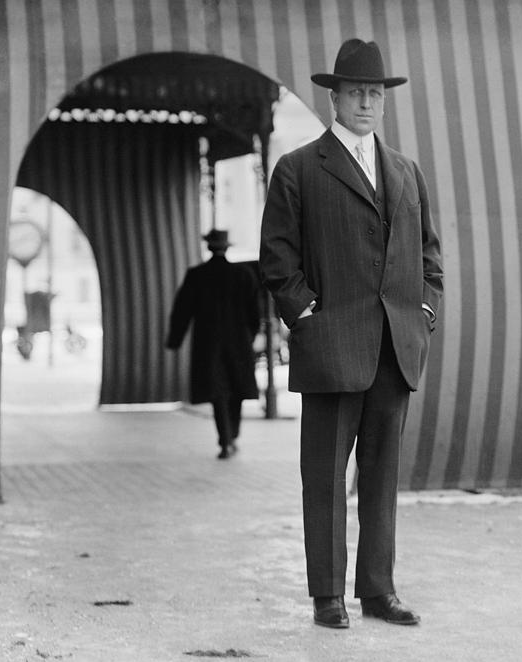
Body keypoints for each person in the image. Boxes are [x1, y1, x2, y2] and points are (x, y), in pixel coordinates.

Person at [259, 39, 443, 629]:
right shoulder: (298, 168)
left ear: (383, 102)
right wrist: (305, 314)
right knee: (325, 478)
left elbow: (429, 257)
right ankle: (326, 596)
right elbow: (276, 259)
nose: (366, 102)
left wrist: (424, 311)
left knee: (382, 477)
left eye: (374, 93)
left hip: (395, 347)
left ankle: (378, 591)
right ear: (333, 98)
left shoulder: (406, 172)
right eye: (355, 92)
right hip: (332, 346)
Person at [166, 229, 260, 459]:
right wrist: (249, 336)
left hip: (209, 343)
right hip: (238, 342)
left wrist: (174, 340)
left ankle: (225, 439)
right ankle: (233, 434)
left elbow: (182, 311)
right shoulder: (244, 274)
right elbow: (254, 314)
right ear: (227, 247)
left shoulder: (197, 275)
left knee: (218, 392)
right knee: (236, 390)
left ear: (208, 247)